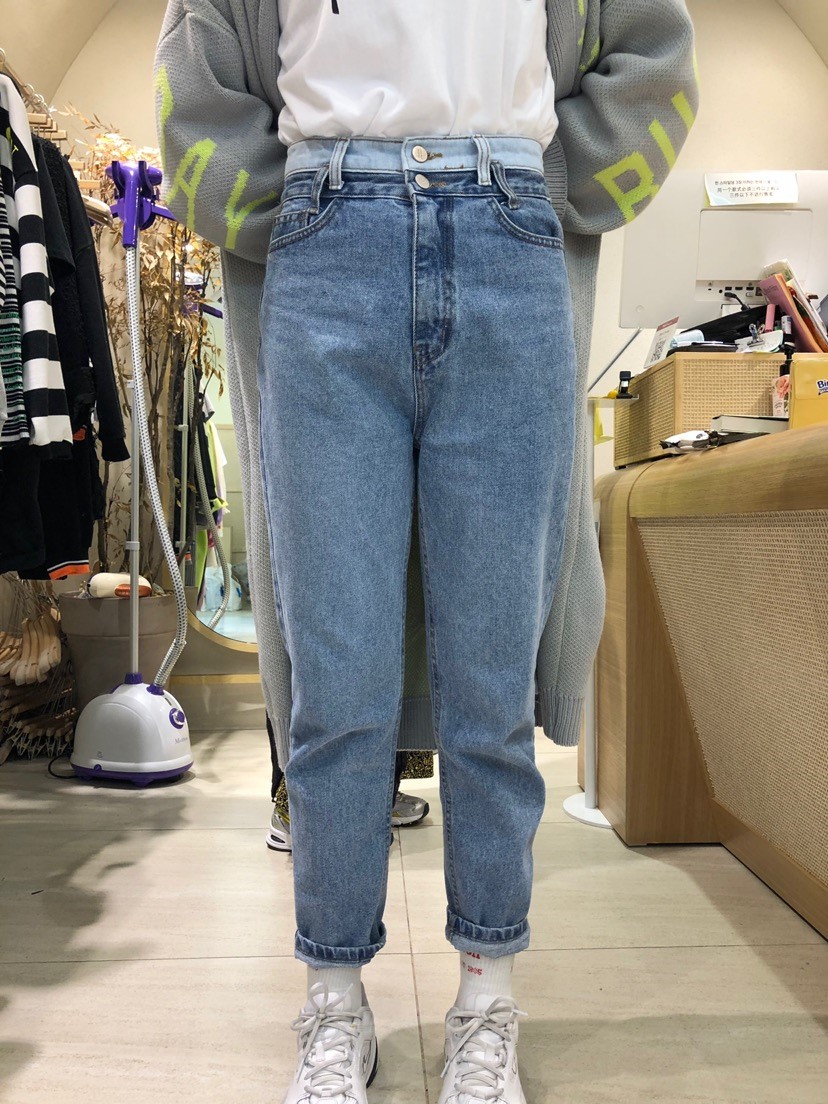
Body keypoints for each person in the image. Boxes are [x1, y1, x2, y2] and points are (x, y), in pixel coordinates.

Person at [154, 2, 698, 1101]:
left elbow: (656, 50)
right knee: (336, 677)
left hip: (508, 225)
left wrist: (546, 186)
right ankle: (334, 1001)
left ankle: (488, 1001)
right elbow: (198, 73)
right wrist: (282, 207)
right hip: (323, 231)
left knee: (490, 677)